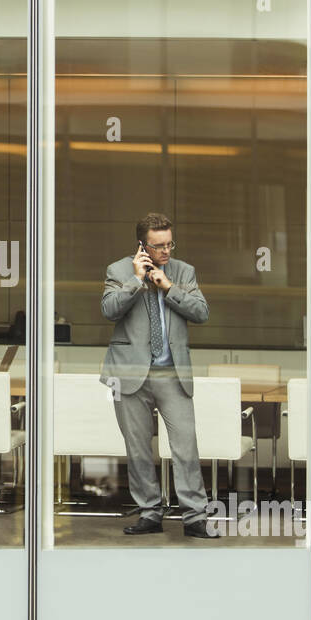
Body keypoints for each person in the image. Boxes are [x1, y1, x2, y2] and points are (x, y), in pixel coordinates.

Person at [101, 212, 216, 537]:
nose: (166, 251)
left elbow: (202, 313)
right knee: (137, 447)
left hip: (172, 373)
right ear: (142, 245)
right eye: (158, 246)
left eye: (169, 244)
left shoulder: (183, 271)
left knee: (185, 446)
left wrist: (168, 287)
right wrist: (136, 281)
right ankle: (150, 512)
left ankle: (195, 517)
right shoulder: (118, 270)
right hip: (129, 371)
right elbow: (109, 310)